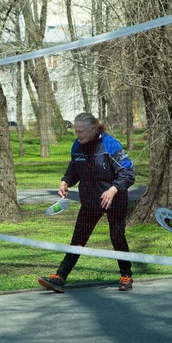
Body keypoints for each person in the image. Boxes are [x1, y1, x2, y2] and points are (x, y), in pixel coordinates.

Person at [37, 113, 135, 293]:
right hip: (90, 201)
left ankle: (126, 275)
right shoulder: (77, 146)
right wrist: (65, 181)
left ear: (93, 129)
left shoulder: (110, 144)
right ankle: (59, 277)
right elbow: (74, 168)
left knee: (117, 238)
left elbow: (128, 173)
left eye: (81, 131)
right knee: (78, 239)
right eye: (75, 131)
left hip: (115, 199)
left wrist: (113, 190)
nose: (78, 134)